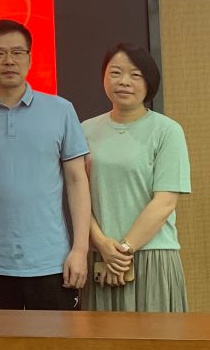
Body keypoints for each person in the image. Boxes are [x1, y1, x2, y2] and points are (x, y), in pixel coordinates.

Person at [0, 18, 91, 310]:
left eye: (17, 52)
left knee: (59, 336)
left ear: (29, 58)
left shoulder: (61, 110)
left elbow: (77, 180)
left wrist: (79, 250)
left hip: (52, 261)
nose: (9, 61)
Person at [81, 43, 190, 312]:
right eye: (115, 73)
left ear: (149, 82)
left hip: (151, 256)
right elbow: (78, 197)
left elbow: (165, 202)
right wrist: (102, 245)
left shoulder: (167, 131)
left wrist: (124, 251)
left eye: (136, 75)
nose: (124, 81)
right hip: (100, 257)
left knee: (157, 333)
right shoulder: (85, 130)